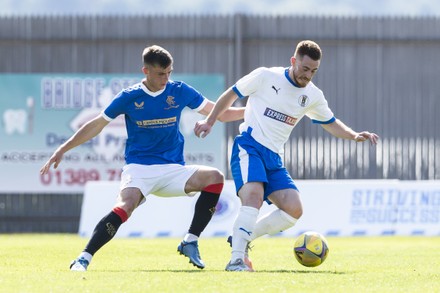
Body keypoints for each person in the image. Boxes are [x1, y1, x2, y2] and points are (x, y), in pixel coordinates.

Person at [40, 45, 244, 271]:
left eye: (169, 72)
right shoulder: (129, 96)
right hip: (139, 168)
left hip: (173, 169)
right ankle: (83, 258)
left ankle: (190, 241)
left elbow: (220, 113)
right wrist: (63, 149)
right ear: (145, 71)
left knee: (215, 177)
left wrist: (252, 110)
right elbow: (96, 124)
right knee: (125, 206)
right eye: (160, 74)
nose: (166, 78)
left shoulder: (180, 90)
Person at [194, 40, 379, 272]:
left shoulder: (312, 95)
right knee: (254, 197)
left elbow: (330, 123)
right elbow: (230, 95)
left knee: (294, 209)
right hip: (249, 146)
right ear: (293, 61)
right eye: (305, 68)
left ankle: (244, 236)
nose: (308, 75)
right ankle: (236, 260)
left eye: (314, 71)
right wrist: (210, 121)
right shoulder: (265, 77)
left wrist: (354, 136)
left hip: (274, 157)